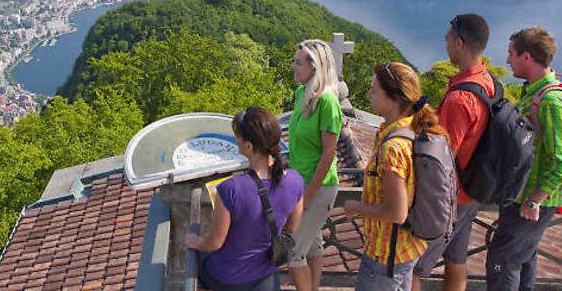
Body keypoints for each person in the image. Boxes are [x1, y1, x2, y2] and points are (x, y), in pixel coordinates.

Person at [344, 62, 449, 291]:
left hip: (385, 256)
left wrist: (356, 206)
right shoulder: (412, 129)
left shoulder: (393, 148)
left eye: (374, 91)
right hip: (405, 250)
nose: (368, 94)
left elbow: (396, 212)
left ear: (393, 100)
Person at [486, 27, 562, 290]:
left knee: (502, 265)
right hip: (522, 199)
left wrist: (534, 200)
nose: (507, 60)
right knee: (521, 263)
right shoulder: (534, 93)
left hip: (530, 204)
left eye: (511, 54)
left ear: (528, 57)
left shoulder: (551, 102)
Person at [413, 14, 492, 291]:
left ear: (460, 43)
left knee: (413, 267)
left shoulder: (460, 99)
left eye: (447, 39)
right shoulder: (487, 82)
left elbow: (442, 159)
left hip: (451, 198)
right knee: (456, 260)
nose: (445, 45)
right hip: (473, 189)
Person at [185, 106, 304, 291]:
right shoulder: (296, 180)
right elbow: (291, 228)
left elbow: (215, 242)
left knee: (200, 259)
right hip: (266, 277)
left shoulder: (230, 189)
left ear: (248, 147)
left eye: (237, 137)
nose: (236, 141)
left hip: (228, 278)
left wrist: (195, 241)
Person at [287, 39, 343, 291]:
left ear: (315, 67)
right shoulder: (301, 94)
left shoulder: (328, 103)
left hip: (318, 188)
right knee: (312, 245)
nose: (293, 67)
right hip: (300, 182)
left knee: (292, 252)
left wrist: (309, 194)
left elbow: (329, 154)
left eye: (298, 63)